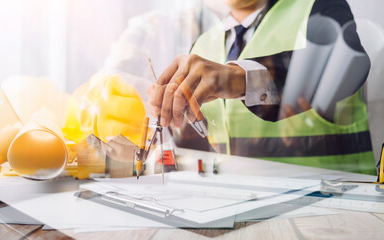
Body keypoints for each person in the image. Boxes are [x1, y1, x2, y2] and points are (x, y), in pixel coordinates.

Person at [148, 0, 376, 174]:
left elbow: (344, 63)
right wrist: (158, 138)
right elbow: (200, 147)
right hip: (236, 210)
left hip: (331, 209)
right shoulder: (202, 44)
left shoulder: (319, 7)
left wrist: (237, 78)